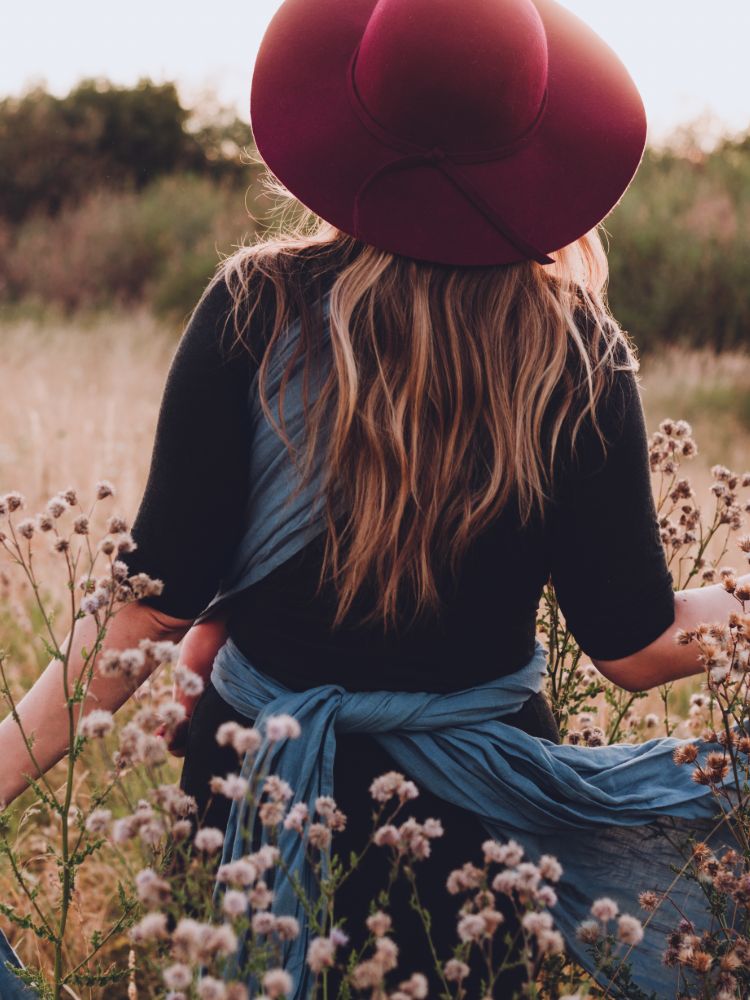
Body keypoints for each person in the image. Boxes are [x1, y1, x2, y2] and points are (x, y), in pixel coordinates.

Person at [0, 0, 745, 997]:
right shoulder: (572, 354)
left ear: (354, 127)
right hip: (475, 835)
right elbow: (636, 645)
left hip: (250, 797)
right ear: (531, 146)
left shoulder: (253, 307)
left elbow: (147, 608)